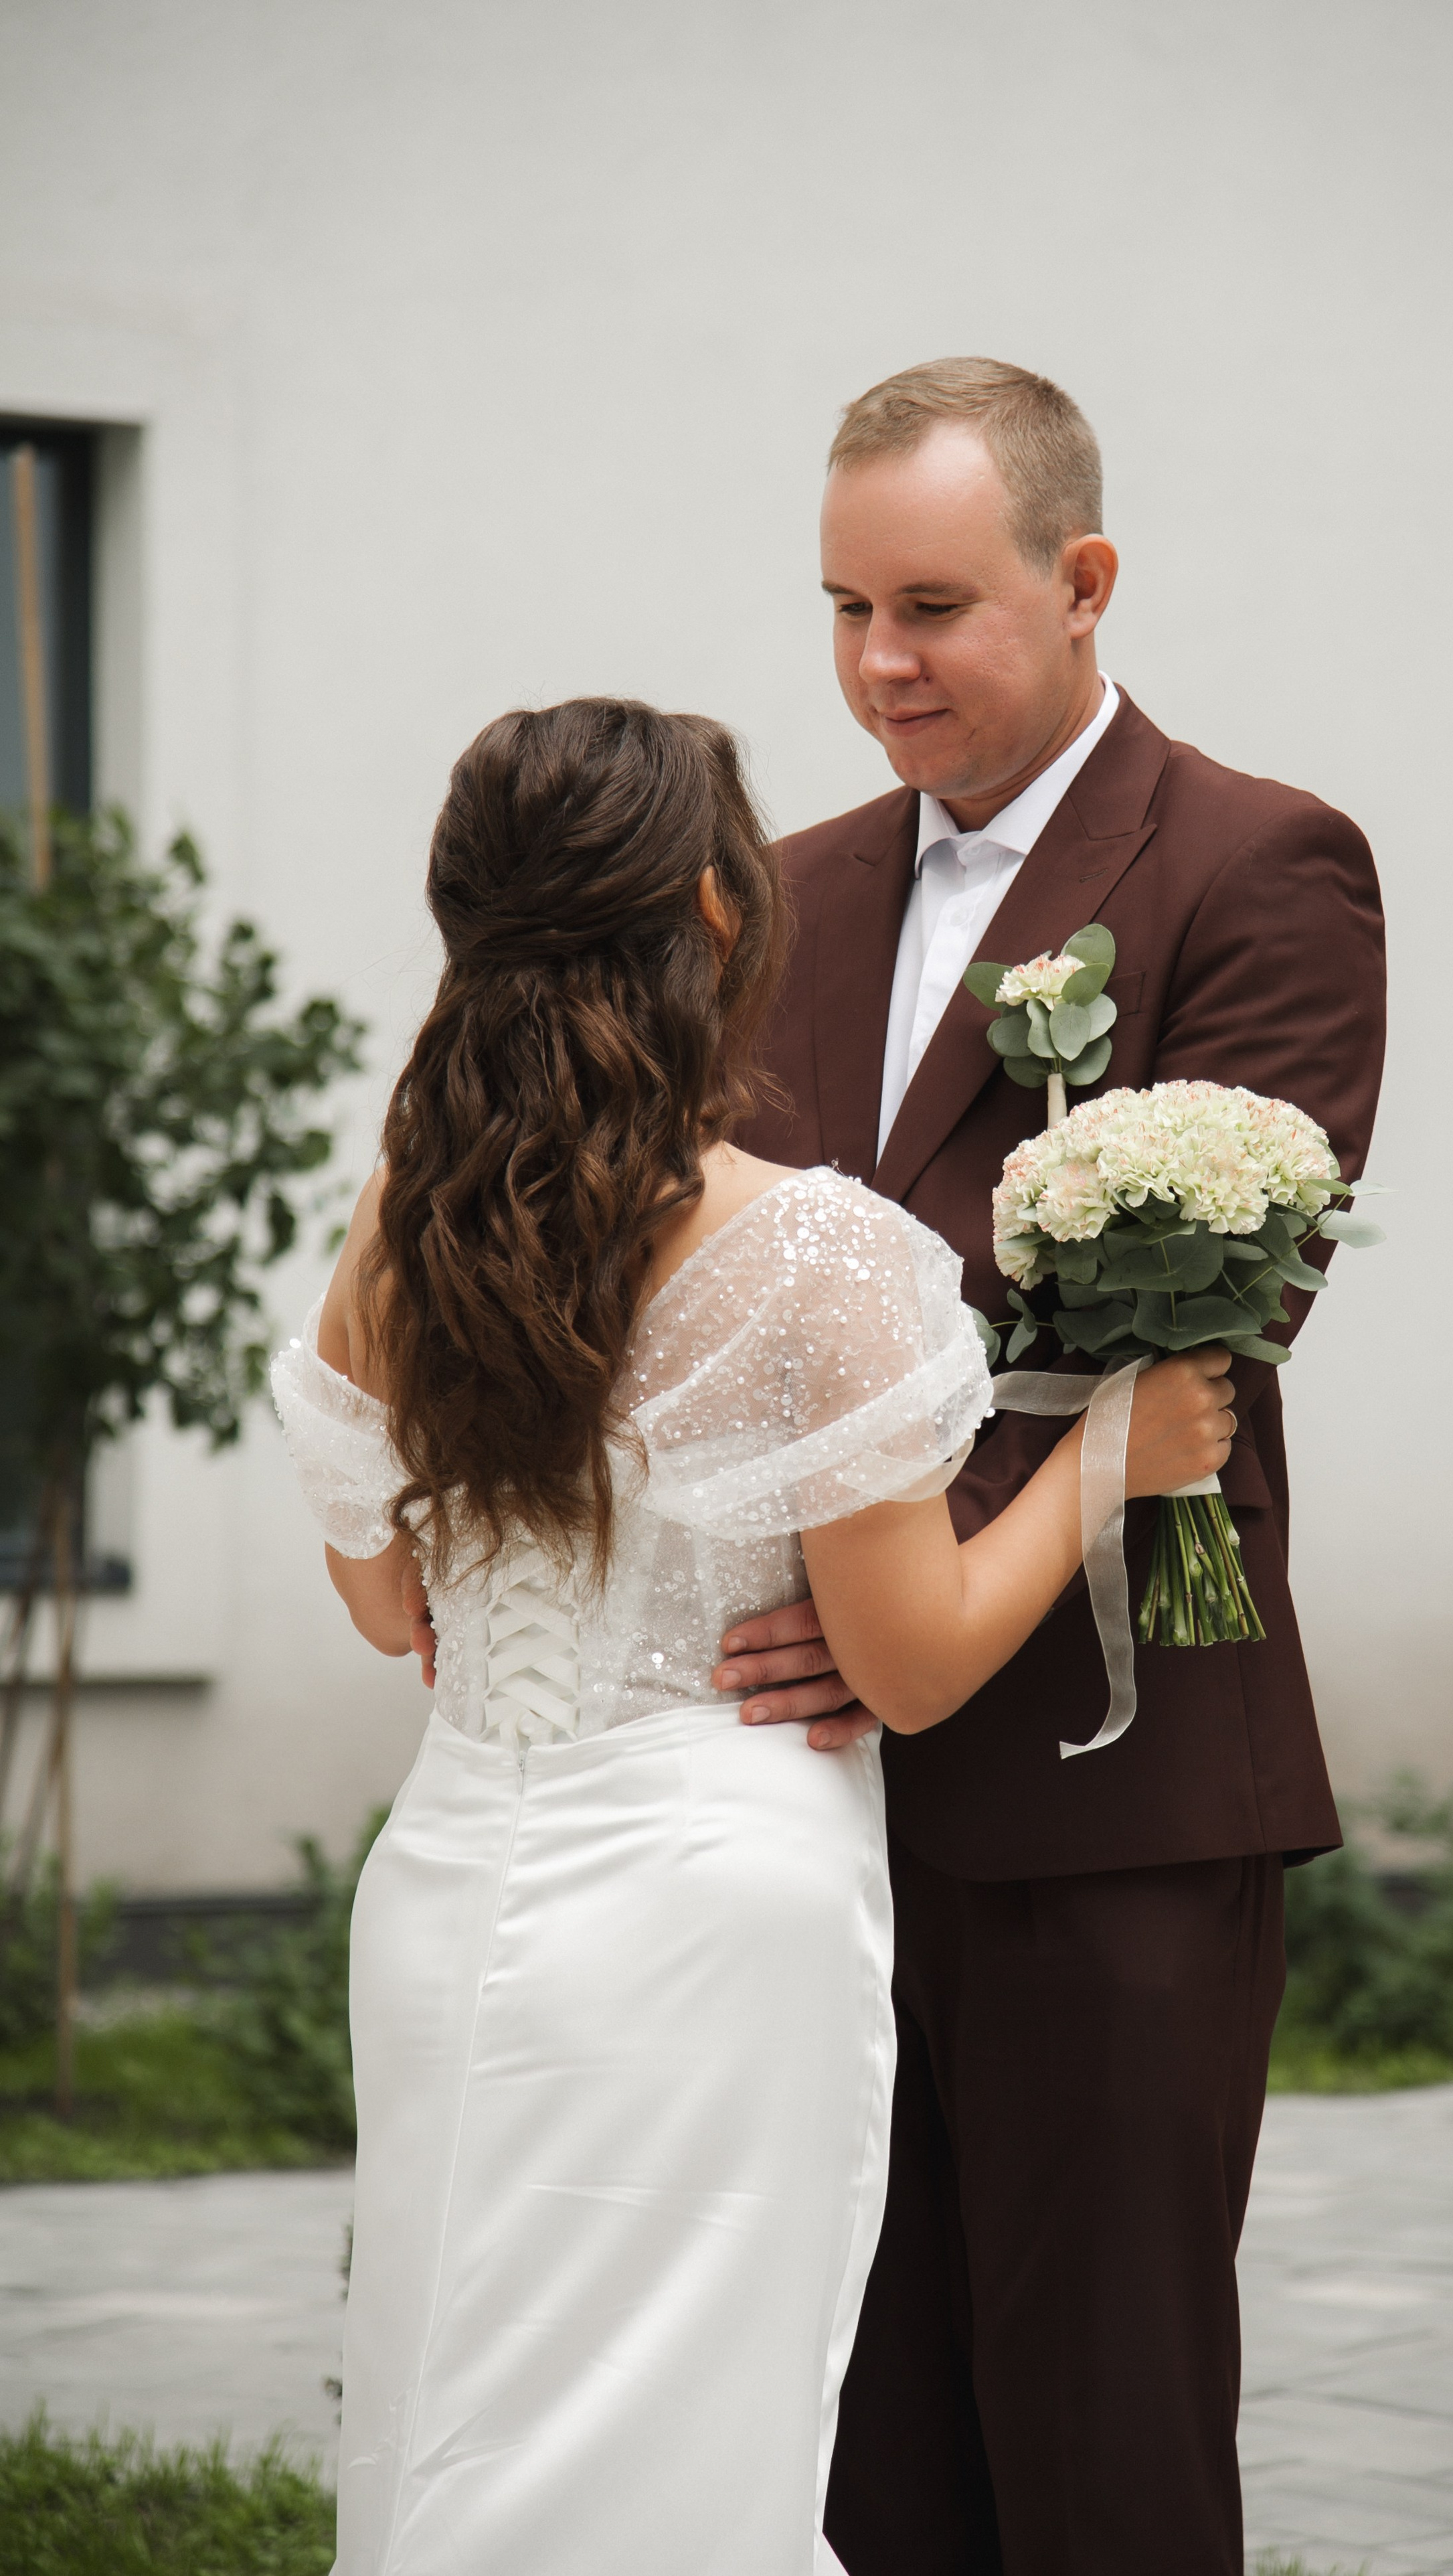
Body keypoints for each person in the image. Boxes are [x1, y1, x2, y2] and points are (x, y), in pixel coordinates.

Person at [272, 695, 1238, 2576]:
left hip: (456, 1874)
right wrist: (1113, 1452)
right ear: (720, 917)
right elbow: (910, 1664)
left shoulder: (407, 1220)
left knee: (449, 2405)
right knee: (697, 2448)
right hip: (715, 1920)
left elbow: (392, 1600)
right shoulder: (818, 1255)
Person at [722, 359, 1389, 2574]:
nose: (876, 664)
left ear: (1084, 580)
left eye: (931, 604)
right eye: (840, 609)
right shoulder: (782, 891)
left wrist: (886, 1579)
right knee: (865, 2433)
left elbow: (1214, 1310)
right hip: (805, 1801)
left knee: (1101, 2438)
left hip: (1113, 1773)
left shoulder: (1258, 861)